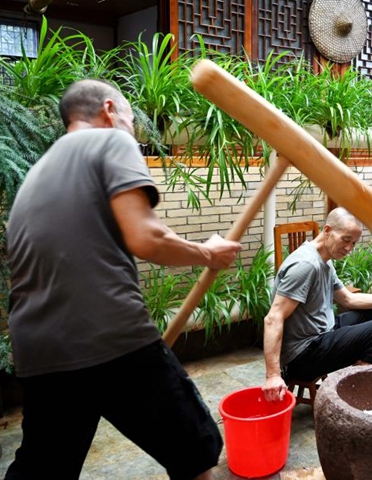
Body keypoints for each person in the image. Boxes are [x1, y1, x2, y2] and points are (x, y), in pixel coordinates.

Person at [5, 79, 242, 479]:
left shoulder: (34, 177)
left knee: (42, 470)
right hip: (109, 337)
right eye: (132, 120)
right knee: (195, 450)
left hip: (39, 355)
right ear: (110, 111)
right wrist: (207, 252)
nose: (133, 131)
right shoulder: (111, 142)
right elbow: (145, 237)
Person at [262, 208, 372, 402]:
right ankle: (357, 398)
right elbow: (273, 318)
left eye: (353, 243)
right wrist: (273, 375)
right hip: (302, 356)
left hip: (321, 334)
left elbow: (348, 299)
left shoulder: (324, 259)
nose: (348, 248)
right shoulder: (306, 265)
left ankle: (357, 382)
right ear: (327, 230)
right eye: (346, 240)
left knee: (371, 313)